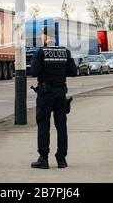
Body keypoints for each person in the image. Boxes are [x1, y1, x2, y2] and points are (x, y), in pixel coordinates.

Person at [30, 25, 77, 169]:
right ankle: (61, 160)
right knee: (61, 127)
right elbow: (74, 72)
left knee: (44, 126)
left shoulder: (41, 52)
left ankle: (43, 159)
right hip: (60, 93)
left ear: (45, 36)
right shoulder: (65, 52)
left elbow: (34, 72)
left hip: (45, 94)